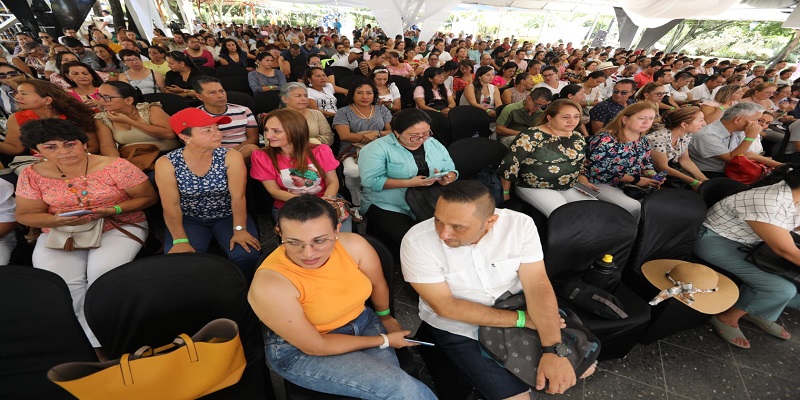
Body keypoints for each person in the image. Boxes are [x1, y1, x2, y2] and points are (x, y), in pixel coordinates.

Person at [401, 180, 587, 400]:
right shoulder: (417, 242)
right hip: (461, 325)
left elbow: (537, 284)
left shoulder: (519, 225)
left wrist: (553, 349)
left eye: (457, 227)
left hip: (518, 306)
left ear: (490, 221)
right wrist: (522, 320)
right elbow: (446, 306)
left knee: (581, 367)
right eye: (438, 220)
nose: (443, 234)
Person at [248, 195, 437, 399]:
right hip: (302, 350)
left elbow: (377, 283)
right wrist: (382, 340)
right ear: (279, 233)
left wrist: (385, 317)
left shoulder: (354, 246)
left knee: (383, 390)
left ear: (337, 230)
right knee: (399, 388)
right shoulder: (270, 284)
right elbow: (315, 345)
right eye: (294, 242)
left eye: (319, 240)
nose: (308, 253)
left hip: (362, 322)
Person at [15, 118, 157, 347]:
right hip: (63, 231)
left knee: (102, 275)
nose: (64, 152)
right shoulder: (32, 174)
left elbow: (148, 198)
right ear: (37, 151)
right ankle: (91, 342)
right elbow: (25, 214)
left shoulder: (115, 166)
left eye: (70, 144)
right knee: (60, 283)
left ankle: (114, 334)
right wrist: (56, 220)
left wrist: (112, 209)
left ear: (83, 144)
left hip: (118, 224)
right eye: (51, 147)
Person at [697, 165, 800, 349]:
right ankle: (726, 318)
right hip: (715, 240)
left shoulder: (792, 194)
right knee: (783, 289)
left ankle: (757, 310)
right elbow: (785, 251)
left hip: (748, 241)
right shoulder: (771, 201)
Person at [155, 108, 261, 278]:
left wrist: (240, 228)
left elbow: (238, 197)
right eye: (207, 130)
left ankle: (243, 288)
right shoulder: (167, 163)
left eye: (216, 128)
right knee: (181, 261)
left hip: (227, 214)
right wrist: (180, 239)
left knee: (247, 254)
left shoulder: (230, 156)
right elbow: (171, 205)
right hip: (189, 218)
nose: (217, 134)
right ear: (185, 136)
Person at [358, 108, 457, 250]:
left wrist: (447, 178)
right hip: (389, 203)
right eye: (414, 135)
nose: (421, 139)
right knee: (413, 241)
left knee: (448, 233)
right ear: (397, 133)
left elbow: (451, 167)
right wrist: (409, 182)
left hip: (427, 198)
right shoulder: (376, 149)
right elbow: (371, 181)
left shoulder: (432, 143)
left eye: (426, 133)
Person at [251, 109, 349, 230]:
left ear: (295, 131)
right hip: (290, 205)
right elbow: (274, 191)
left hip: (326, 200)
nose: (268, 136)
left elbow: (332, 182)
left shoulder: (321, 150)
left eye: (276, 131)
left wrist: (325, 202)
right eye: (266, 130)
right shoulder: (261, 156)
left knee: (339, 238)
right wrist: (311, 204)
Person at [498, 99, 593, 217]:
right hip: (536, 186)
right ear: (550, 118)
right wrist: (506, 192)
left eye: (576, 116)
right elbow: (510, 165)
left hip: (569, 185)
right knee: (565, 216)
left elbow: (580, 164)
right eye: (565, 117)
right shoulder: (532, 135)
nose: (572, 121)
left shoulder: (577, 136)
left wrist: (583, 181)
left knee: (594, 210)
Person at [584, 102, 662, 221]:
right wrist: (636, 180)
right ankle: (632, 236)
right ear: (625, 119)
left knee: (659, 205)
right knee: (634, 207)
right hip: (601, 183)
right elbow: (599, 171)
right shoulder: (606, 139)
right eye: (641, 118)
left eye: (651, 118)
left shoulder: (643, 140)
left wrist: (653, 176)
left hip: (631, 183)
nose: (647, 123)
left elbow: (646, 164)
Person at [333, 80, 393, 219]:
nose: (365, 96)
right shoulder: (343, 112)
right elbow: (344, 135)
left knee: (385, 169)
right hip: (352, 149)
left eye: (369, 93)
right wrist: (365, 137)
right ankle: (357, 203)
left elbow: (392, 131)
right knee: (353, 172)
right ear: (352, 95)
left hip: (379, 148)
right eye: (360, 93)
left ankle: (375, 199)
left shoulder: (381, 109)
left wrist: (376, 134)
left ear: (374, 94)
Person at [5, 79, 100, 160]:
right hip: (40, 162)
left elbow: (94, 147)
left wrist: (65, 157)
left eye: (24, 94)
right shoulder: (17, 118)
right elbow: (15, 148)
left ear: (47, 100)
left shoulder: (76, 114)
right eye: (17, 92)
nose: (17, 97)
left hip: (79, 159)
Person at [688, 102, 781, 178]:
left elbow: (747, 153)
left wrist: (778, 165)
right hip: (709, 172)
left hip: (730, 170)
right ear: (738, 119)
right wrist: (750, 137)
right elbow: (733, 159)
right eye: (756, 120)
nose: (758, 124)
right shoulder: (707, 135)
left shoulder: (738, 131)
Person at [94, 81, 179, 157]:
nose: (101, 101)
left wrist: (129, 121)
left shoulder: (149, 109)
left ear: (128, 100)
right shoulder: (102, 118)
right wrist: (118, 164)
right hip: (136, 159)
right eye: (100, 96)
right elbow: (107, 146)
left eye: (107, 97)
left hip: (168, 154)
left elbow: (169, 134)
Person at [193, 76, 259, 161]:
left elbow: (253, 138)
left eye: (221, 91)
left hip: (240, 152)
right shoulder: (194, 115)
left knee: (252, 149)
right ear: (199, 96)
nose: (220, 95)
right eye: (212, 93)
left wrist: (230, 153)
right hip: (209, 155)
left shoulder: (244, 110)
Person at [646, 107, 709, 190]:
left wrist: (703, 179)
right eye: (701, 120)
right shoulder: (657, 139)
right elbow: (662, 167)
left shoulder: (684, 136)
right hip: (651, 174)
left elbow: (685, 160)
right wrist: (693, 182)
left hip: (668, 172)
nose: (704, 124)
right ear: (684, 125)